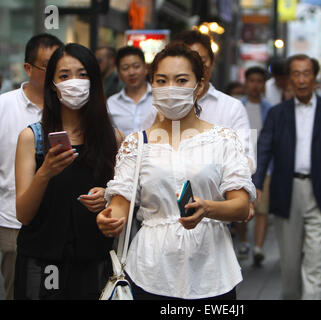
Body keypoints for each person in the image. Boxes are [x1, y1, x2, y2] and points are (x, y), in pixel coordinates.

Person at [96, 42, 256, 300]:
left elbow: (240, 206)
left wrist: (208, 208)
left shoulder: (224, 139)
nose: (171, 88)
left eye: (181, 80)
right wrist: (108, 219)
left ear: (199, 86)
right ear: (152, 86)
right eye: (162, 80)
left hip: (212, 270)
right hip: (150, 270)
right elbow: (119, 204)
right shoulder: (137, 144)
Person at [13, 43, 125, 300]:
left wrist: (107, 197)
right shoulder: (33, 137)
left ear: (95, 81)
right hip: (42, 260)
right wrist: (45, 172)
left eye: (83, 74)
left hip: (94, 259)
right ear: (52, 83)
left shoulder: (113, 138)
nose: (74, 82)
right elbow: (24, 215)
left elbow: (124, 202)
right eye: (64, 75)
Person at [253, 54, 321, 300]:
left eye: (306, 73)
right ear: (289, 79)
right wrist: (256, 185)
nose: (301, 79)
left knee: (316, 261)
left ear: (315, 76)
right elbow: (264, 148)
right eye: (295, 74)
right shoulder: (277, 113)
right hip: (286, 190)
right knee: (289, 264)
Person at [0, 33, 63, 300]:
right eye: (49, 66)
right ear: (28, 68)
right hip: (13, 221)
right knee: (20, 291)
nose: (57, 74)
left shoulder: (70, 107)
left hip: (63, 223)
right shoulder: (4, 106)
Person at [171, 30, 255, 173]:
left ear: (212, 61)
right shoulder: (163, 105)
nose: (196, 69)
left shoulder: (232, 107)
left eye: (201, 61)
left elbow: (247, 161)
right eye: (189, 62)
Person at [236, 66, 273, 265]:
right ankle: (243, 241)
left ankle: (258, 247)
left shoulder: (270, 109)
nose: (256, 85)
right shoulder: (236, 107)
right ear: (246, 83)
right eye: (252, 80)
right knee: (241, 206)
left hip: (265, 167)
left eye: (260, 81)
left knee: (262, 208)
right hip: (241, 166)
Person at [107, 46, 155, 136]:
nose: (131, 72)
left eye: (136, 66)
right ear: (118, 73)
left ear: (145, 68)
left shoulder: (159, 98)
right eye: (125, 68)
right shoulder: (111, 103)